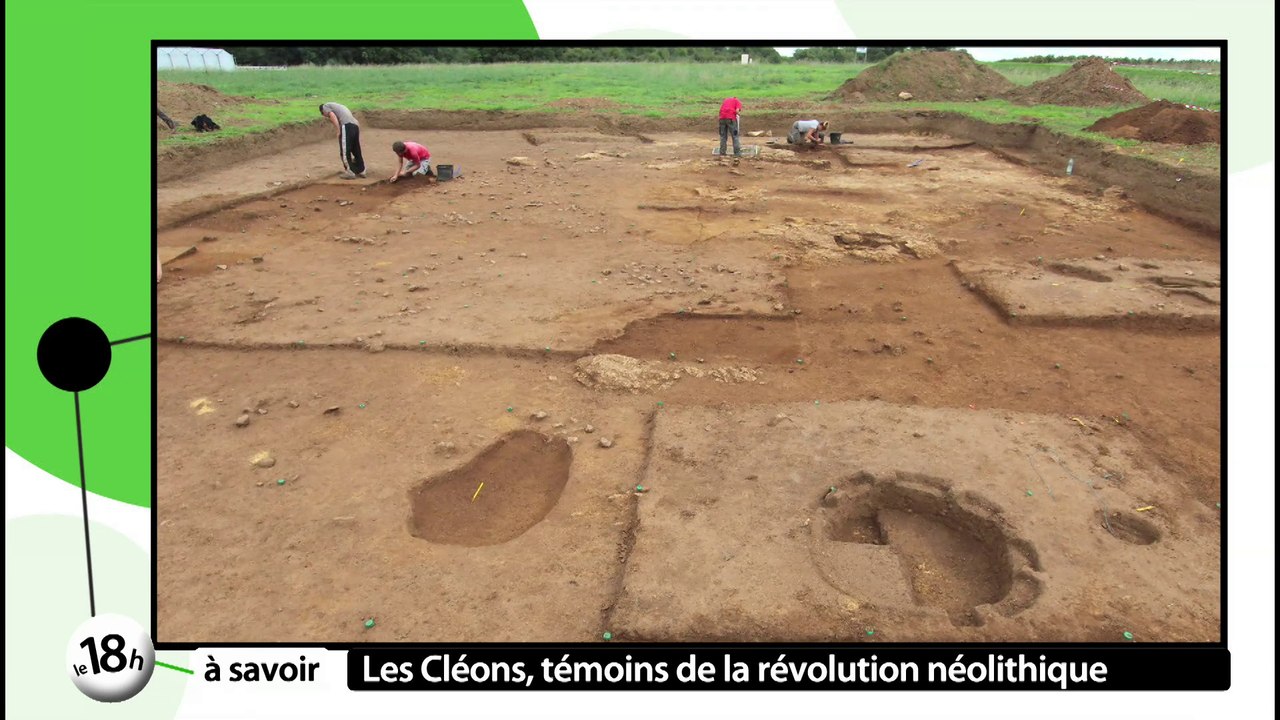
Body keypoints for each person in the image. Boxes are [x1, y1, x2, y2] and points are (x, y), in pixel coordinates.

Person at [319, 102, 365, 179]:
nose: (326, 116)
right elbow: (356, 121)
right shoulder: (340, 106)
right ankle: (361, 170)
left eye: (324, 115)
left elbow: (332, 116)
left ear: (322, 112)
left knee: (344, 151)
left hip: (347, 126)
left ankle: (350, 172)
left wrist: (338, 130)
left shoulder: (325, 106)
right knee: (356, 149)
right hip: (355, 126)